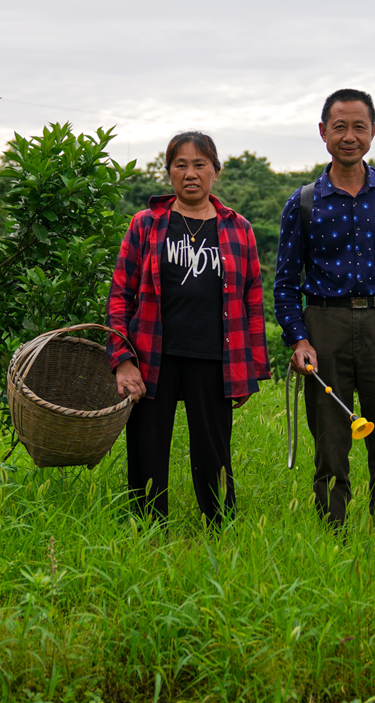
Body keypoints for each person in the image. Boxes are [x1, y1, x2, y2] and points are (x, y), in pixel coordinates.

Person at [274, 88, 375, 529]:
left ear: (373, 132)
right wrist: (298, 339)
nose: (349, 136)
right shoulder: (304, 201)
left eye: (358, 127)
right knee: (330, 440)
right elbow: (285, 284)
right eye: (340, 127)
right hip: (324, 325)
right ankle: (333, 535)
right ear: (323, 132)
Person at [106, 131, 270, 526]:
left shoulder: (238, 228)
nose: (190, 173)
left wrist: (250, 371)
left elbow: (252, 301)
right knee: (147, 448)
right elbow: (119, 295)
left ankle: (220, 527)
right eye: (180, 164)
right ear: (169, 173)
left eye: (200, 164)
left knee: (214, 450)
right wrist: (122, 360)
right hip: (151, 356)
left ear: (216, 171)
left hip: (214, 356)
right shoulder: (146, 224)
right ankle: (146, 527)